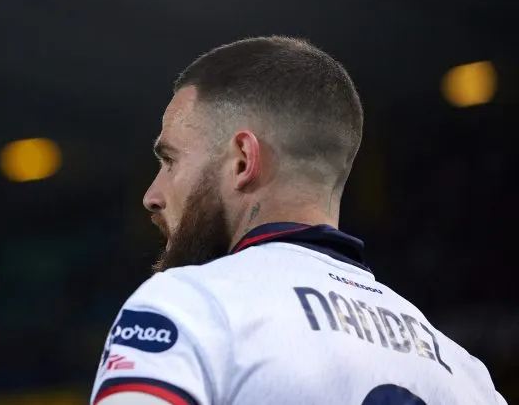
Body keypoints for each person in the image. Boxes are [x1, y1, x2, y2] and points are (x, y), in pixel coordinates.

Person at [90, 36, 506, 405]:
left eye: (170, 161)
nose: (152, 196)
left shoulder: (189, 308)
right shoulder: (469, 376)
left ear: (242, 160)